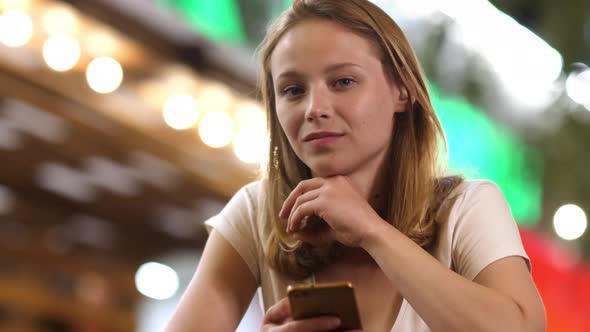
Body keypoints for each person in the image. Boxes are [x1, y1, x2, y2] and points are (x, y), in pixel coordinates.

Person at [165, 0, 546, 331]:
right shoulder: (257, 212)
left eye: (343, 81)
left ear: (403, 90)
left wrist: (371, 232)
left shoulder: (466, 207)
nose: (315, 108)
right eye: (293, 90)